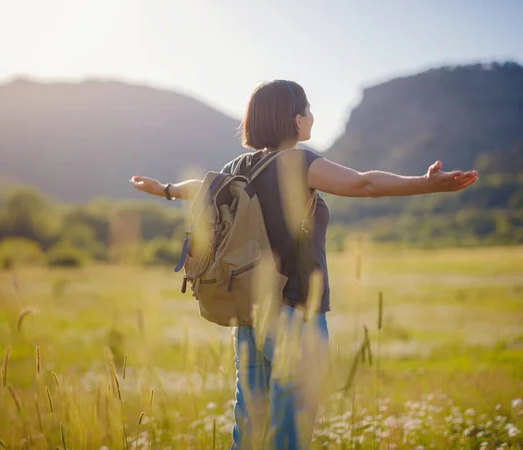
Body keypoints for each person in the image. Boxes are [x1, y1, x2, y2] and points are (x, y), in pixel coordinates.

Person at [130, 80, 478, 449]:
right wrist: (426, 184)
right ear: (294, 120)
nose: (312, 117)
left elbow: (198, 186)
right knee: (288, 434)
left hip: (248, 316)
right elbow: (364, 185)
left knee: (248, 428)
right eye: (308, 110)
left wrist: (164, 189)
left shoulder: (236, 167)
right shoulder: (299, 162)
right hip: (294, 314)